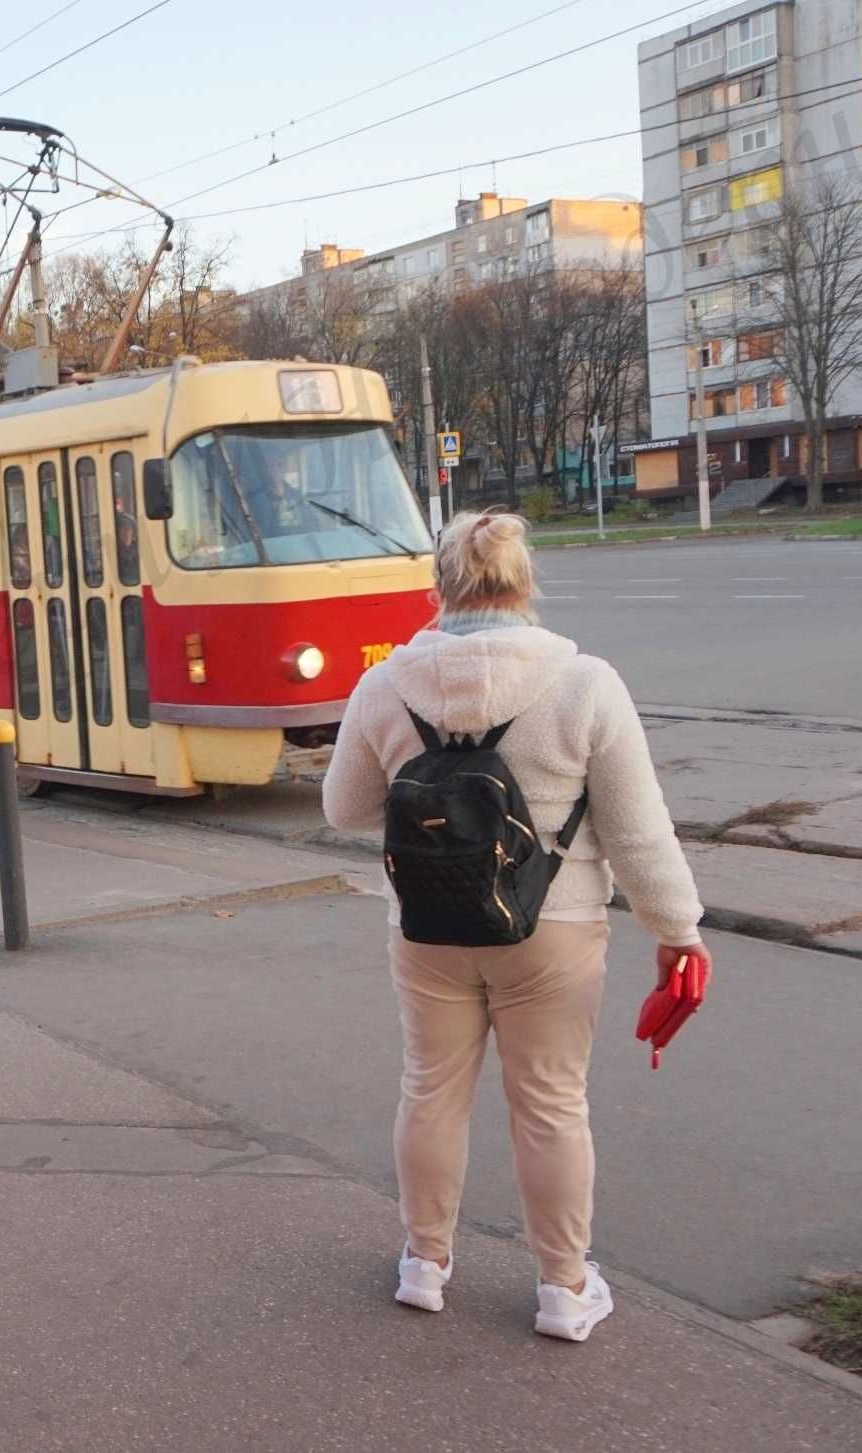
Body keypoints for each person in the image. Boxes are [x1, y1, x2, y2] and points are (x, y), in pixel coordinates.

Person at [322, 510, 707, 1343]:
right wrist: (678, 930)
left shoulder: (386, 684)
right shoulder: (584, 682)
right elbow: (640, 831)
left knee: (429, 1089)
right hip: (553, 928)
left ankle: (424, 1265)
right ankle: (564, 1291)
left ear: (439, 588)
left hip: (426, 930)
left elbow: (344, 807)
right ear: (526, 582)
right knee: (551, 1106)